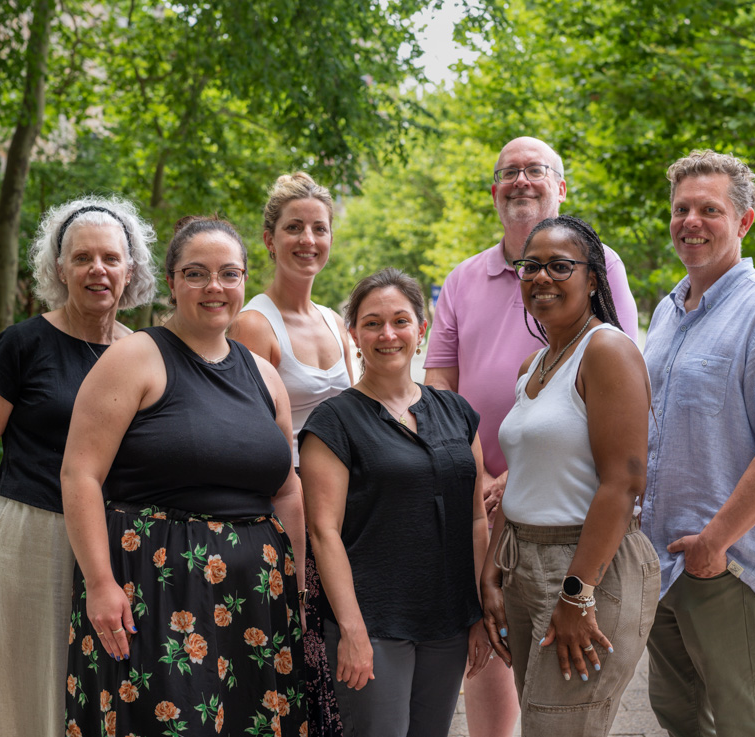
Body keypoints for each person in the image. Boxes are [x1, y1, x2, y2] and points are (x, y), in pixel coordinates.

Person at [424, 135, 639, 737]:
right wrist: (477, 477)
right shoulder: (473, 288)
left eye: (536, 170)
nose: (520, 181)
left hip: (571, 521)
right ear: (494, 192)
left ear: (561, 188)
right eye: (508, 173)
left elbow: (622, 463)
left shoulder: (604, 330)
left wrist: (577, 592)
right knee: (496, 659)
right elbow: (441, 380)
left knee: (560, 707)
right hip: (483, 505)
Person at [60, 216, 307, 737]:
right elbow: (80, 473)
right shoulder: (133, 359)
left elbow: (286, 489)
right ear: (171, 282)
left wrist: (298, 585)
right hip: (157, 591)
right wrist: (100, 584)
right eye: (196, 273)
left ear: (244, 281)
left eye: (229, 274)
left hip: (257, 597)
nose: (214, 287)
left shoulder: (263, 375)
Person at [0, 195, 157, 737]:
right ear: (58, 268)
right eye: (82, 257)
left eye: (111, 258)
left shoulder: (142, 351)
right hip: (32, 531)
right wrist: (3, 522)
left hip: (116, 538)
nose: (98, 269)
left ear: (130, 270)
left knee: (111, 683)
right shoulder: (22, 344)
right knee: (29, 682)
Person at [642, 150, 755, 737]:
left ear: (743, 222)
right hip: (663, 562)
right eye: (681, 209)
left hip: (726, 565)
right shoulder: (669, 312)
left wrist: (715, 543)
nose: (690, 221)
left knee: (747, 723)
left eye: (710, 210)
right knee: (681, 718)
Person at [479, 215, 659, 735]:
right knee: (538, 721)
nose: (541, 278)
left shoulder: (606, 351)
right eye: (530, 266)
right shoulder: (533, 365)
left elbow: (624, 483)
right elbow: (524, 475)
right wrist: (494, 567)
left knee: (556, 726)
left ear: (593, 279)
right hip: (523, 562)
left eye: (560, 266)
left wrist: (577, 595)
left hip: (587, 568)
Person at [300, 268, 492, 737]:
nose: (388, 334)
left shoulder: (457, 412)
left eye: (401, 321)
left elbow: (475, 518)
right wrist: (351, 629)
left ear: (421, 330)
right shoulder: (333, 422)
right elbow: (323, 533)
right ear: (354, 335)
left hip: (446, 619)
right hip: (374, 622)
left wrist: (480, 613)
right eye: (372, 323)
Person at [231, 171, 354, 737]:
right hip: (294, 507)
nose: (308, 239)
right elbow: (250, 440)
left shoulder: (335, 319)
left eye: (319, 228)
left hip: (351, 501)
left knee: (344, 642)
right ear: (269, 239)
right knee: (304, 648)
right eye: (294, 228)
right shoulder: (254, 325)